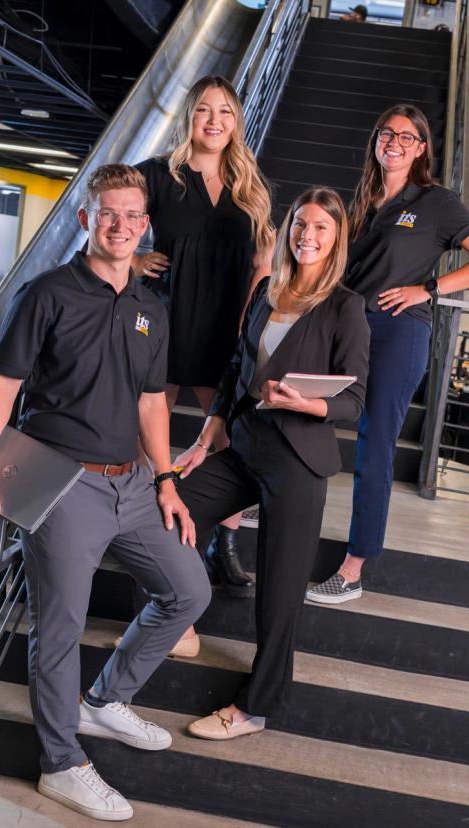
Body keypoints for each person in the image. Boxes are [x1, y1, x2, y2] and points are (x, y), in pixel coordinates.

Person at [0, 163, 211, 822]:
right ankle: (61, 763)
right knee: (60, 626)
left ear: (145, 222)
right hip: (61, 482)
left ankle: (103, 701)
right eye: (108, 214)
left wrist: (165, 481)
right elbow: (4, 382)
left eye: (133, 214)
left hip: (131, 481)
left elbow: (153, 403)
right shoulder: (47, 294)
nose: (121, 226)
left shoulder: (150, 308)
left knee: (189, 589)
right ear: (85, 220)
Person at [173, 188, 370, 739]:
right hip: (243, 445)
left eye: (321, 229)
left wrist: (308, 404)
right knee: (173, 509)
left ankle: (255, 707)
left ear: (336, 240)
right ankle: (182, 622)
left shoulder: (345, 306)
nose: (308, 236)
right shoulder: (268, 289)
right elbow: (239, 363)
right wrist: (209, 429)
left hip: (298, 458)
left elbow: (355, 401)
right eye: (300, 225)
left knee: (280, 590)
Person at [305, 103, 469, 605]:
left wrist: (430, 288)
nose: (393, 142)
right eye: (385, 132)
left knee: (375, 447)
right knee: (298, 410)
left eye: (405, 136)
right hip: (347, 323)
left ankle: (353, 569)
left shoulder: (438, 202)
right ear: (375, 140)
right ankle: (258, 497)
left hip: (399, 331)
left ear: (421, 148)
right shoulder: (362, 198)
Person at [133, 75, 274, 612]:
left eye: (225, 113)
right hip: (168, 315)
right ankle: (146, 525)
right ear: (189, 117)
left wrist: (251, 325)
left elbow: (263, 263)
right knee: (152, 424)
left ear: (236, 123)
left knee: (230, 438)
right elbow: (109, 219)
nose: (214, 121)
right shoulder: (157, 174)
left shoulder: (250, 185)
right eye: (204, 111)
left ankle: (225, 541)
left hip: (227, 324)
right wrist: (135, 261)